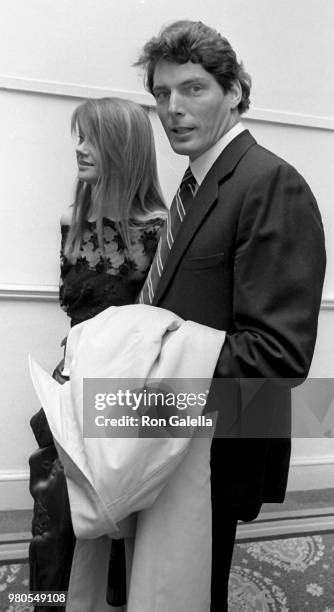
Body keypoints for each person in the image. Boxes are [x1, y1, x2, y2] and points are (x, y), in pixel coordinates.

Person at [135, 20, 326, 611]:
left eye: (193, 89)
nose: (173, 109)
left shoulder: (270, 183)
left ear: (235, 90)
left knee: (199, 588)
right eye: (162, 95)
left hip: (220, 443)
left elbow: (279, 354)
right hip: (174, 431)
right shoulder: (199, 181)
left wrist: (145, 350)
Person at [28, 97, 166, 609]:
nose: (79, 148)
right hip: (73, 377)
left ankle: (118, 598)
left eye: (90, 138)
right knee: (52, 506)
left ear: (122, 147)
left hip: (131, 389)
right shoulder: (72, 220)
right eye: (77, 137)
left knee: (121, 514)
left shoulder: (161, 228)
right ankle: (39, 605)